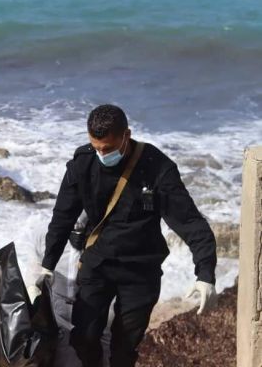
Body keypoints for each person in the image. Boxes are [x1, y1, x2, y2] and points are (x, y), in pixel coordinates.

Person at [38, 104, 218, 367]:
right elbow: (62, 218)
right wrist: (47, 265)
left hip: (140, 271)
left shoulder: (158, 168)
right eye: (96, 147)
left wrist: (205, 274)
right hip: (98, 262)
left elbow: (189, 222)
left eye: (108, 149)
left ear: (126, 135)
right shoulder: (83, 163)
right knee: (83, 338)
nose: (102, 154)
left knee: (124, 348)